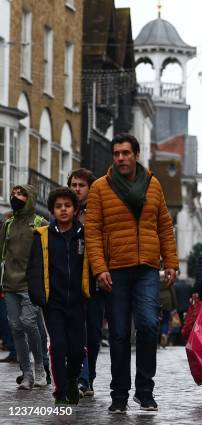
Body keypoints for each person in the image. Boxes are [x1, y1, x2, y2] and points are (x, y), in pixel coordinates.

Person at [85, 134, 179, 414]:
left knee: (149, 325)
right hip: (115, 269)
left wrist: (171, 262)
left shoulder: (153, 185)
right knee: (119, 334)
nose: (120, 158)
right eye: (116, 154)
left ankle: (145, 391)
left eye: (125, 153)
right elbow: (92, 231)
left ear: (136, 155)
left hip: (148, 268)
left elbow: (164, 225)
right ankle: (119, 395)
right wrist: (99, 268)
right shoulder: (101, 187)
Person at [27, 187, 90, 405]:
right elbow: (34, 267)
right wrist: (39, 296)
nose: (63, 210)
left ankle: (72, 378)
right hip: (53, 302)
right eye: (58, 206)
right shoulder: (42, 235)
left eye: (67, 206)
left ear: (75, 210)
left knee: (77, 349)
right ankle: (60, 392)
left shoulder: (85, 235)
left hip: (78, 301)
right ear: (52, 211)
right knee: (58, 345)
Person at [0, 185, 48, 390]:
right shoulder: (8, 224)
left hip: (31, 284)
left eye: (20, 194)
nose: (15, 197)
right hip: (9, 283)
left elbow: (48, 255)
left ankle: (40, 367)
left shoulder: (40, 223)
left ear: (30, 198)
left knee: (29, 323)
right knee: (16, 327)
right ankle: (26, 373)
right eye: (13, 194)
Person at [67, 168, 103, 398]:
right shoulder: (65, 212)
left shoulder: (98, 212)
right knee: (75, 331)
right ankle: (81, 377)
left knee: (93, 332)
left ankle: (87, 377)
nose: (76, 189)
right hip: (70, 280)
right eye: (73, 185)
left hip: (94, 278)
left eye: (81, 185)